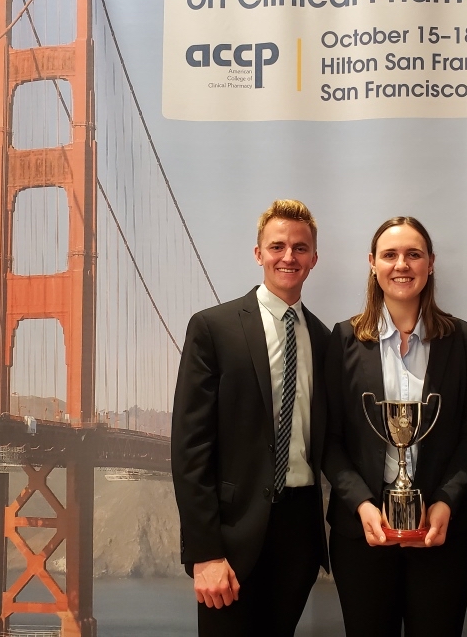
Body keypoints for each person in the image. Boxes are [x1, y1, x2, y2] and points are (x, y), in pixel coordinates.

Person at [171, 199, 330, 637]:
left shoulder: (324, 338)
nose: (289, 256)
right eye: (277, 246)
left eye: (300, 248)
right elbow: (190, 448)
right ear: (258, 253)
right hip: (231, 533)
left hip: (299, 531)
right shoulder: (212, 328)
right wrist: (204, 553)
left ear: (314, 258)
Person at [323, 216, 467, 637]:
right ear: (373, 264)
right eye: (390, 255)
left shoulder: (463, 339)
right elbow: (329, 439)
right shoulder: (342, 340)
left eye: (413, 254)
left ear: (430, 263)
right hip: (362, 535)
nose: (402, 264)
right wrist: (361, 503)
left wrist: (447, 501)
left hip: (441, 533)